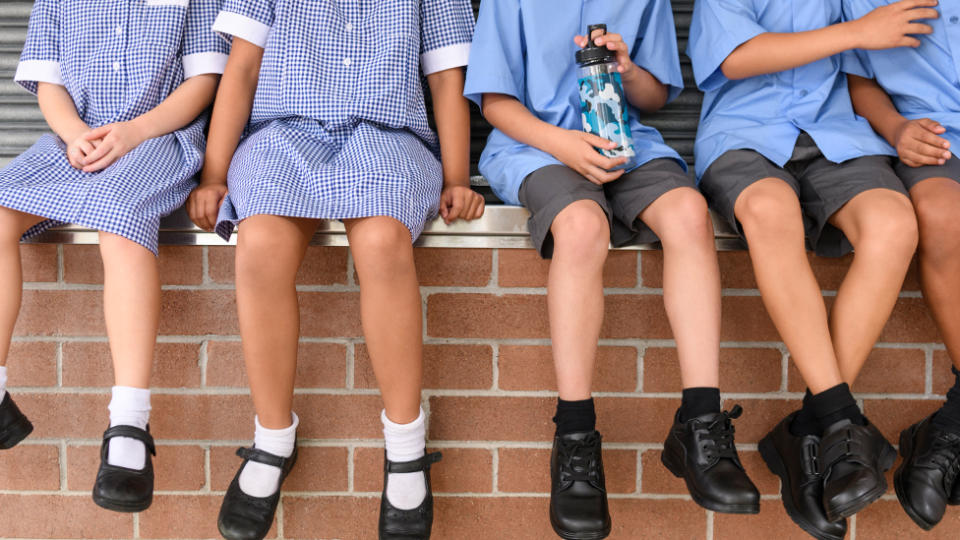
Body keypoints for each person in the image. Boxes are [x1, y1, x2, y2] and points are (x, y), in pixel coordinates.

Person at [186, 1, 483, 538]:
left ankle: (405, 446)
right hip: (283, 135)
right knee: (260, 245)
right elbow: (243, 67)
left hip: (388, 139)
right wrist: (213, 174)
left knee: (384, 242)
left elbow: (445, 78)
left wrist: (458, 175)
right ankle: (273, 438)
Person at [465, 1, 759, 538]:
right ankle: (575, 437)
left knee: (690, 214)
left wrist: (628, 69)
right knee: (581, 228)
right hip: (537, 146)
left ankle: (700, 423)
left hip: (627, 145)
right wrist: (563, 143)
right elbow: (495, 102)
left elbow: (656, 95)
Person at [687, 1, 935, 538]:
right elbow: (737, 57)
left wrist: (895, 127)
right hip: (745, 135)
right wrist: (857, 32)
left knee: (894, 224)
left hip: (837, 133)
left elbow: (864, 70)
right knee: (771, 213)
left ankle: (811, 426)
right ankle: (841, 424)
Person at [0, 0, 227, 513]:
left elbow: (203, 81)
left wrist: (134, 131)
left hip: (157, 138)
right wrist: (74, 133)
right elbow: (50, 80)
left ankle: (128, 420)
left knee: (120, 220)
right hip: (73, 140)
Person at [842, 0, 960, 530]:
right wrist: (894, 128)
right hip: (931, 139)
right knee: (940, 216)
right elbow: (854, 76)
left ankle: (953, 424)